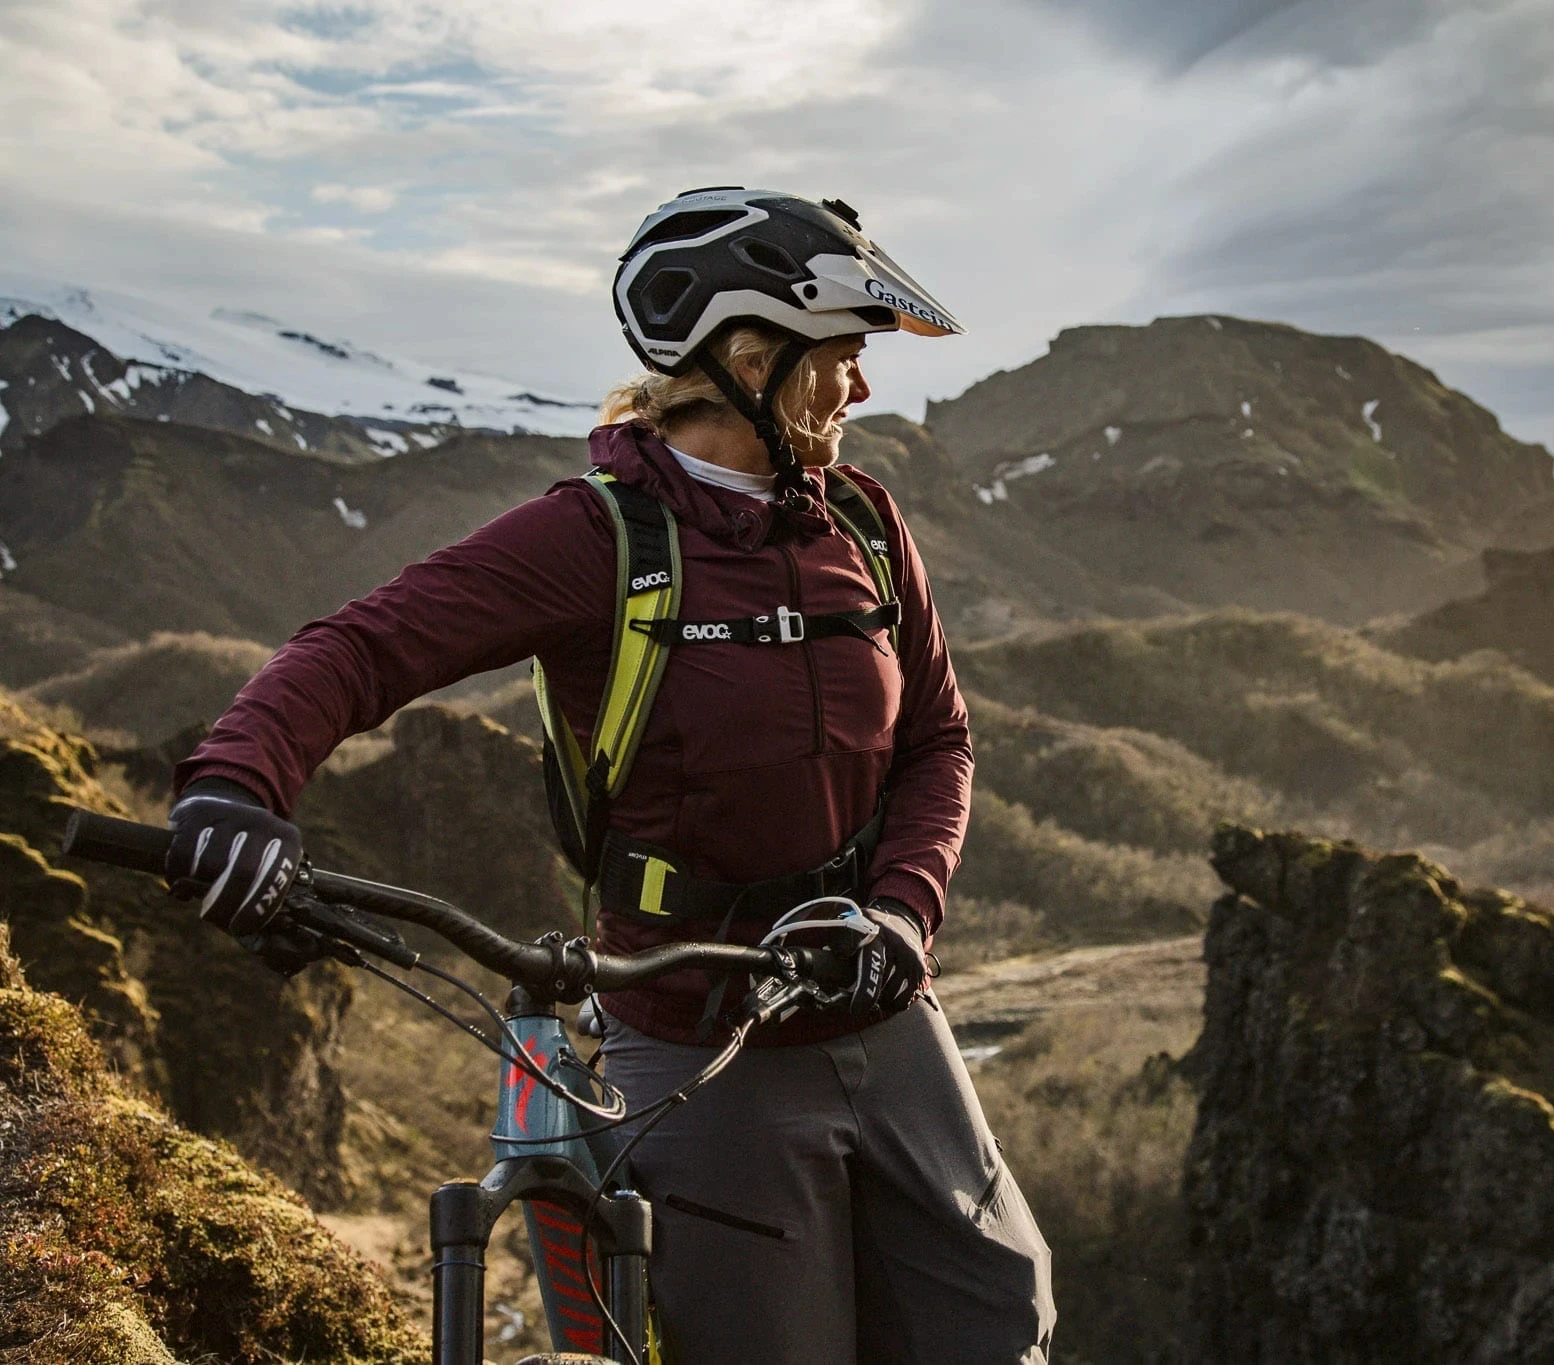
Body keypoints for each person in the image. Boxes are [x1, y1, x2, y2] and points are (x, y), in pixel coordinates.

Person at [164, 187, 1056, 1362]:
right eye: (840, 356)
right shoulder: (598, 539)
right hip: (697, 1039)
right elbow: (358, 647)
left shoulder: (865, 525)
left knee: (999, 1314)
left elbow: (937, 741)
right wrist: (236, 788)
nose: (861, 388)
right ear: (750, 357)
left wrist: (901, 912)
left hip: (884, 1013)